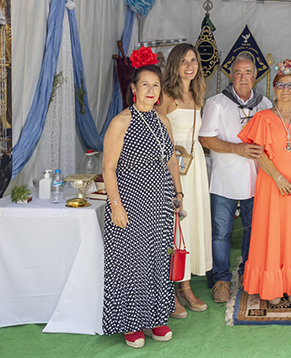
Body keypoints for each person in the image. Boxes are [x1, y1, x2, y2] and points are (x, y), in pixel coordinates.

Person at [101, 62, 183, 348]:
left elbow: (171, 159)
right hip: (130, 202)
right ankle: (131, 323)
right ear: (133, 89)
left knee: (158, 260)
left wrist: (178, 193)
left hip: (159, 201)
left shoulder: (163, 121)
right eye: (145, 84)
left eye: (156, 85)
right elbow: (108, 168)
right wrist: (116, 206)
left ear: (161, 92)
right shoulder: (121, 121)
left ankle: (156, 318)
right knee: (131, 262)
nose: (151, 90)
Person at [238, 61, 291, 305]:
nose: (286, 89)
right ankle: (272, 284)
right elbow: (258, 152)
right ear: (274, 90)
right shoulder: (263, 118)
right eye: (281, 85)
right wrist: (278, 177)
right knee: (272, 231)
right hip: (272, 184)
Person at [199, 52, 272, 303]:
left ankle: (245, 274)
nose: (242, 77)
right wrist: (236, 148)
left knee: (253, 230)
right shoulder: (216, 103)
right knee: (221, 233)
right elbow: (205, 139)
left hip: (257, 181)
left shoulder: (266, 105)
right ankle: (221, 279)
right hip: (224, 180)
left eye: (248, 72)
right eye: (238, 72)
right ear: (231, 75)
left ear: (255, 76)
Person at [156, 43, 211, 318]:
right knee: (173, 228)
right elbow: (155, 132)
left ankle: (185, 287)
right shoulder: (167, 95)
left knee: (190, 227)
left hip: (194, 164)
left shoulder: (196, 94)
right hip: (171, 166)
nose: (190, 65)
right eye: (184, 61)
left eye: (194, 60)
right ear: (174, 65)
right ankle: (169, 292)